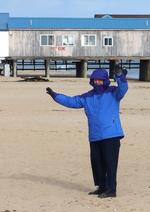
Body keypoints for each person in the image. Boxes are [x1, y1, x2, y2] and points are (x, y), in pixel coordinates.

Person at [46, 65, 128, 198]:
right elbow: (72, 101)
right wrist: (56, 96)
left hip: (111, 135)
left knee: (110, 164)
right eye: (95, 80)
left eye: (100, 80)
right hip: (95, 136)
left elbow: (123, 88)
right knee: (97, 163)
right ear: (92, 81)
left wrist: (120, 76)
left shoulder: (113, 92)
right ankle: (101, 188)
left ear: (105, 80)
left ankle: (111, 190)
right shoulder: (87, 96)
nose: (97, 82)